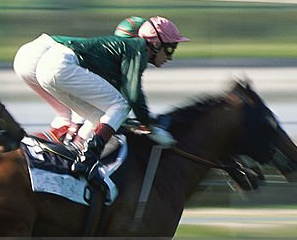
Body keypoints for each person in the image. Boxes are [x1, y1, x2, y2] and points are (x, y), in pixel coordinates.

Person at [13, 16, 189, 177]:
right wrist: (149, 125)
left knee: (96, 121)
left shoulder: (120, 51)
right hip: (57, 63)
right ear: (156, 44)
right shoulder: (138, 48)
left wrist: (134, 123)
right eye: (170, 48)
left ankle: (69, 155)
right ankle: (88, 157)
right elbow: (133, 95)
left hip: (45, 65)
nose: (171, 57)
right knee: (120, 105)